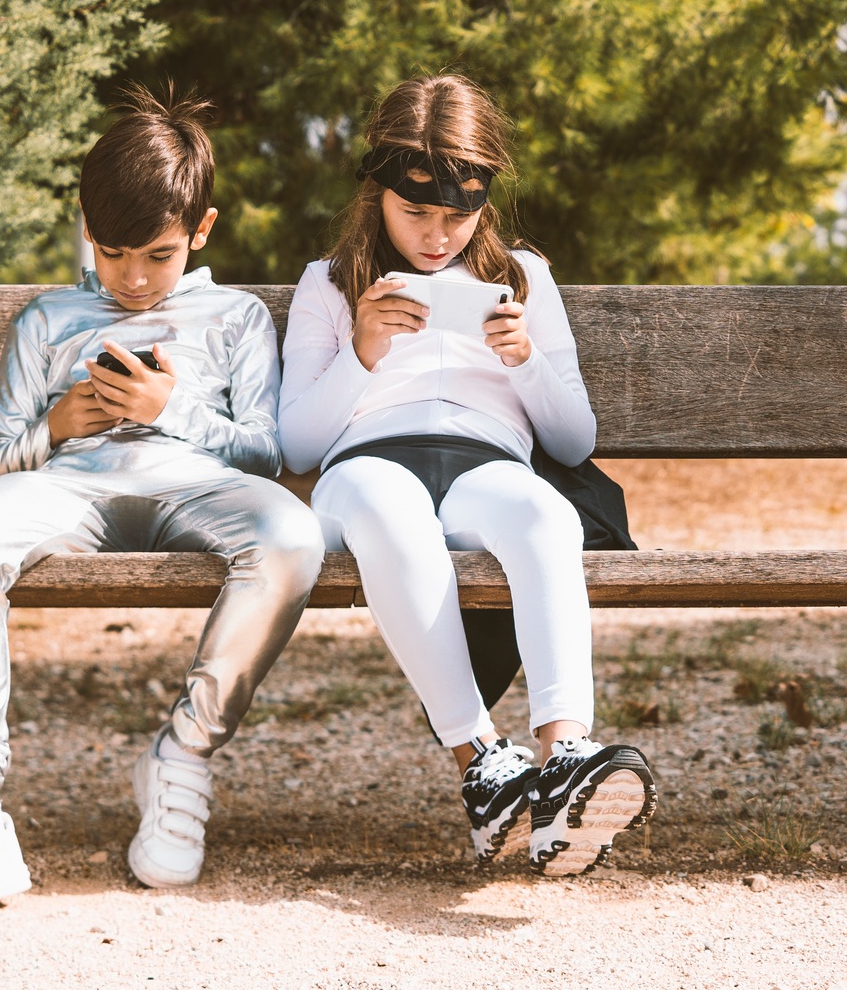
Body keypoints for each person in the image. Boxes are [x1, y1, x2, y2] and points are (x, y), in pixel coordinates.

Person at [0, 89, 326, 913]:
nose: (130, 277)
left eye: (155, 255)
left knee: (294, 535)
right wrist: (59, 422)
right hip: (68, 488)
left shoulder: (235, 318)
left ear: (202, 229)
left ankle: (185, 752)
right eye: (111, 250)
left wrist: (173, 412)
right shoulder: (48, 317)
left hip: (197, 485)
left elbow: (265, 451)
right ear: (86, 229)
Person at [277, 74, 656, 877]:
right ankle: (483, 765)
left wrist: (524, 363)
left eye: (458, 215)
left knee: (547, 517)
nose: (437, 235)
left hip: (487, 464)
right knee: (392, 510)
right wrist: (363, 351)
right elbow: (300, 445)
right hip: (368, 465)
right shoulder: (332, 280)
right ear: (377, 192)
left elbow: (573, 434)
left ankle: (562, 764)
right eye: (415, 211)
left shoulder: (523, 279)